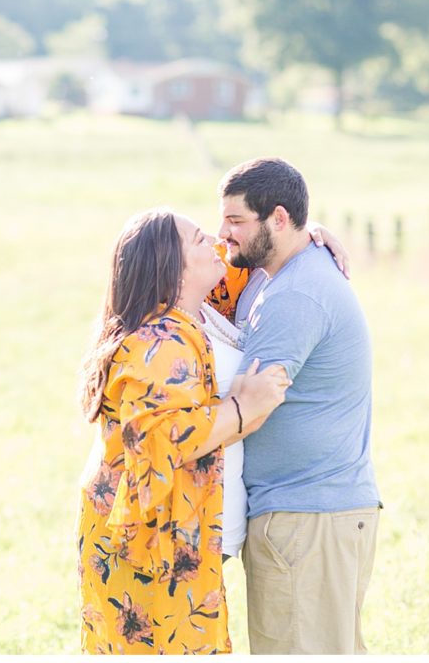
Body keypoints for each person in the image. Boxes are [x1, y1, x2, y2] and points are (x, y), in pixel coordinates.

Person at [76, 209, 291, 654]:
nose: (213, 241)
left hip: (172, 531)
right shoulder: (156, 342)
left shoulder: (197, 311)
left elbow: (257, 258)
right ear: (170, 268)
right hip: (147, 540)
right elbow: (164, 436)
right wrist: (241, 407)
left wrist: (308, 238)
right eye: (198, 240)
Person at [217, 157, 381, 654]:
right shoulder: (279, 269)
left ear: (280, 219)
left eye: (236, 221)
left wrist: (170, 442)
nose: (224, 233)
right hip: (310, 516)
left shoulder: (294, 295)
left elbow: (254, 405)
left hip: (305, 520)